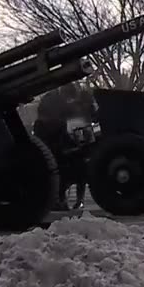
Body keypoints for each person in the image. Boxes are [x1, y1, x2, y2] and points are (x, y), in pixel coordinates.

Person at [33, 83, 88, 211]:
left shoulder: (64, 102)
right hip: (47, 136)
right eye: (69, 98)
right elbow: (48, 120)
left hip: (58, 134)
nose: (70, 101)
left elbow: (73, 116)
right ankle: (59, 200)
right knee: (57, 167)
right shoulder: (50, 99)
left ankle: (72, 199)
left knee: (76, 163)